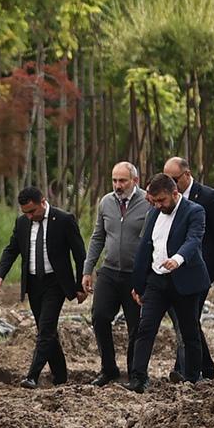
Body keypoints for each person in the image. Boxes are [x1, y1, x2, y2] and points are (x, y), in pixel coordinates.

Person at [0, 187, 88, 388]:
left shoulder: (63, 219)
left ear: (43, 202)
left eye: (32, 211)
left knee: (45, 329)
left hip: (56, 283)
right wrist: (0, 274)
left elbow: (79, 254)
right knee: (47, 330)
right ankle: (61, 377)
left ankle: (32, 376)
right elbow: (12, 249)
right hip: (34, 283)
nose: (29, 216)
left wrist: (81, 285)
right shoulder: (22, 223)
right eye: (25, 212)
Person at [124, 173, 211, 393]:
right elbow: (145, 247)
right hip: (156, 281)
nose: (159, 205)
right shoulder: (154, 212)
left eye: (162, 200)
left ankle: (191, 378)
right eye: (155, 202)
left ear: (175, 193)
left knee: (189, 331)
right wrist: (138, 284)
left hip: (186, 281)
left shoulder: (194, 211)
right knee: (145, 329)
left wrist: (178, 259)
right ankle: (138, 378)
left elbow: (194, 240)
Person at [163, 156, 214, 381]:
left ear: (187, 174)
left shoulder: (207, 197)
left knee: (188, 318)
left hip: (200, 270)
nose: (171, 184)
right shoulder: (165, 199)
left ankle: (185, 369)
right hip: (172, 268)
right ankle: (204, 368)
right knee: (186, 319)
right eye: (167, 179)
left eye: (174, 179)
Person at [82, 162, 150, 386]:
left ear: (135, 181)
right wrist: (87, 269)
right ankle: (108, 368)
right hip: (109, 271)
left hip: (135, 274)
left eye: (123, 181)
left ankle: (135, 373)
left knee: (136, 326)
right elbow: (98, 236)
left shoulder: (148, 203)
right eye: (114, 180)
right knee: (99, 316)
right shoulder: (106, 202)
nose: (118, 185)